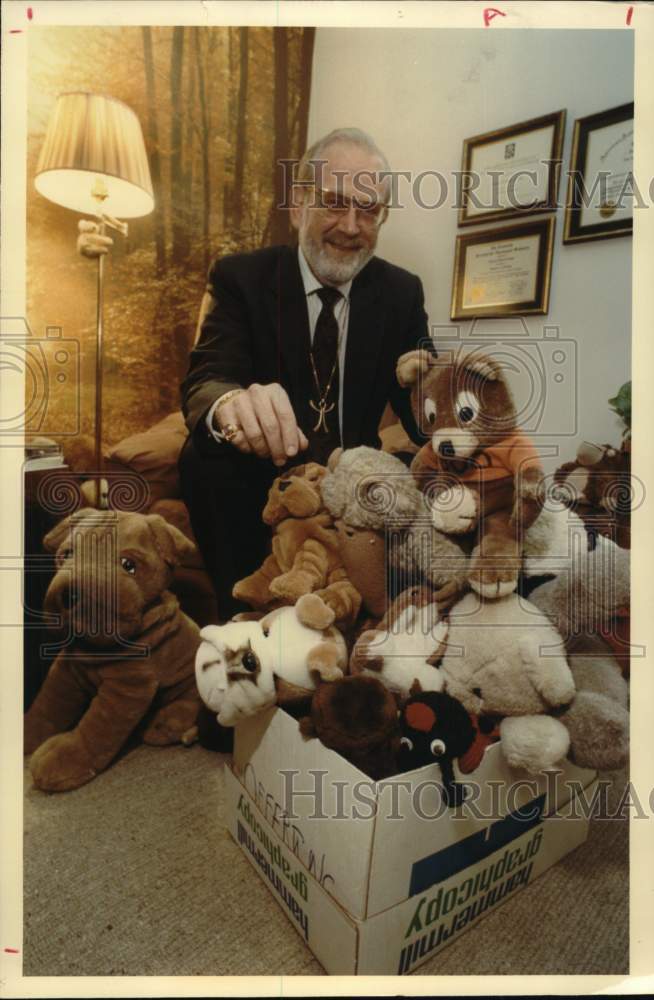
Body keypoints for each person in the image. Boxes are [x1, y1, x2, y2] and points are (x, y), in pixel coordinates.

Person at [179, 127, 432, 619]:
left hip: (353, 491)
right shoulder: (242, 279)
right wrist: (231, 405)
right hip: (267, 487)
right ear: (299, 206)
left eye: (369, 210)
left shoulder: (401, 293)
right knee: (201, 456)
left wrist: (466, 424)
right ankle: (241, 623)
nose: (352, 226)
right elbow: (209, 374)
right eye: (335, 203)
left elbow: (424, 408)